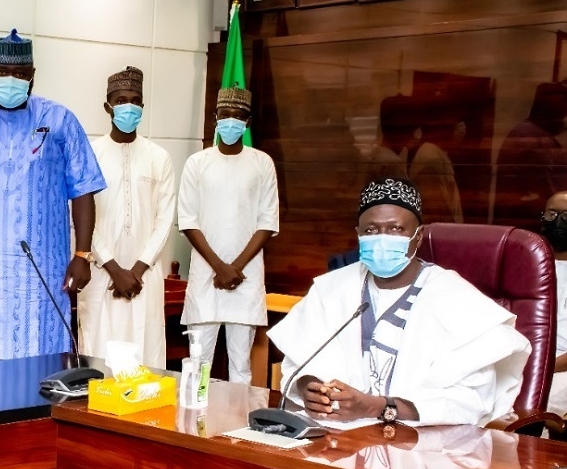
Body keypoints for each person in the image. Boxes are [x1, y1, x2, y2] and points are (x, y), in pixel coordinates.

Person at [269, 178, 530, 427]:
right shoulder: (331, 289)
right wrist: (311, 390)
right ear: (358, 235)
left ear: (417, 236)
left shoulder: (455, 297)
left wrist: (377, 407)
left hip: (428, 448)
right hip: (340, 437)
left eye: (396, 229)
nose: (383, 237)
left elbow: (471, 400)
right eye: (371, 230)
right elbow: (299, 364)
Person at [0, 29, 105, 360]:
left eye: (19, 73)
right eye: (1, 72)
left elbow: (83, 189)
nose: (10, 79)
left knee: (41, 365)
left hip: (41, 270)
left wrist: (82, 255)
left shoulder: (59, 120)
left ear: (32, 76)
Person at [178, 87, 279, 385]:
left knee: (241, 367)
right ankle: (194, 428)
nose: (231, 122)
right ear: (215, 118)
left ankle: (236, 427)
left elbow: (267, 221)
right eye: (226, 115)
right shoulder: (197, 163)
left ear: (247, 122)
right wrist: (219, 267)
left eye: (238, 117)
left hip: (244, 278)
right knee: (198, 365)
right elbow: (187, 220)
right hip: (206, 278)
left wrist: (234, 268)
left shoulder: (262, 163)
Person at [77, 67, 176, 369]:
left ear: (143, 107)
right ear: (107, 106)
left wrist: (136, 269)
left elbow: (165, 218)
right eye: (121, 100)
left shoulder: (159, 157)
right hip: (101, 275)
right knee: (99, 358)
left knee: (146, 359)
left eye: (135, 100)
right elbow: (82, 217)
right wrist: (113, 267)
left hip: (144, 277)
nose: (129, 106)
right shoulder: (90, 154)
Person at [494, 82, 567, 228]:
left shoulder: (534, 134)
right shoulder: (532, 137)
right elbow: (549, 192)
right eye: (564, 102)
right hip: (528, 223)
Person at [540, 190, 567, 417]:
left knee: (540, 406)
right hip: (524, 359)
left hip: (561, 368)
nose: (558, 221)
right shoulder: (527, 263)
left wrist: (544, 367)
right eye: (552, 214)